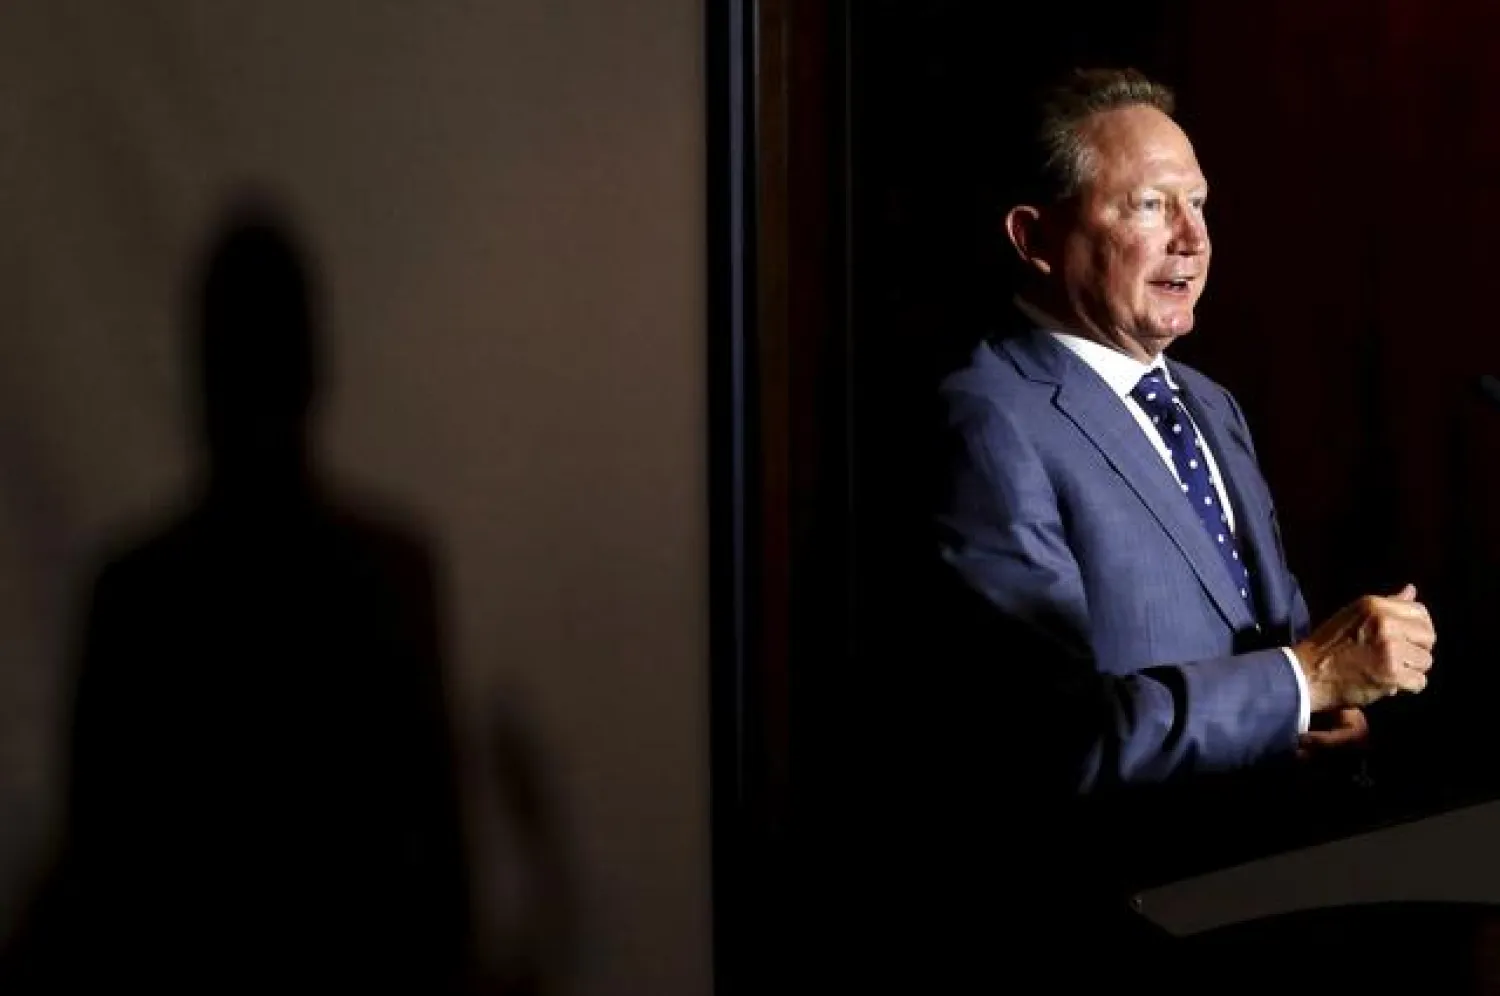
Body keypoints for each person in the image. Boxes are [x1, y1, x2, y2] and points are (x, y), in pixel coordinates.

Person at [921, 67, 1438, 986]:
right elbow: (1059, 738)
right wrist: (1305, 678)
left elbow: (1277, 650)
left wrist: (1329, 712)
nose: (1192, 240)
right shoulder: (988, 418)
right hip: (1118, 932)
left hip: (1277, 905)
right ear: (1034, 237)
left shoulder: (1206, 403)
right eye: (1149, 205)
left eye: (1197, 204)